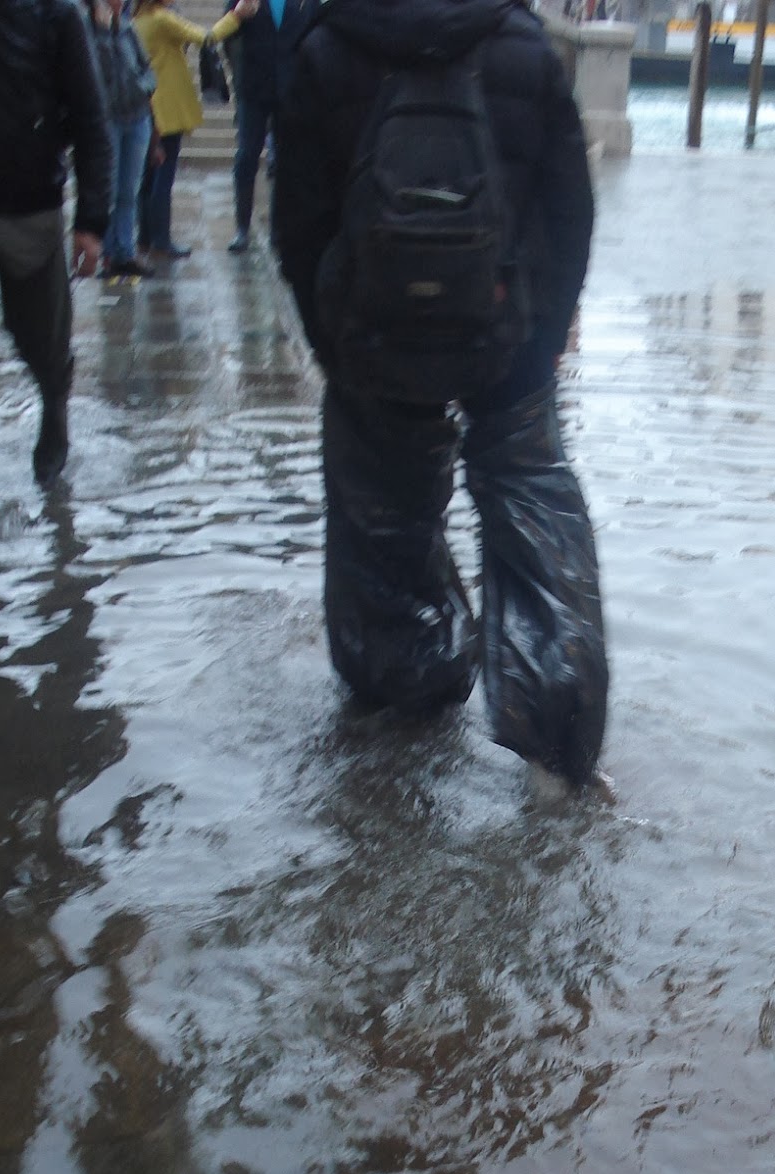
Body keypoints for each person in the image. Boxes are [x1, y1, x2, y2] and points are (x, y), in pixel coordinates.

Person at [275, 0, 608, 788]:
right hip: (507, 334)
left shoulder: (326, 45)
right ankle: (554, 743)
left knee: (382, 523)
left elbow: (295, 220)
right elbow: (570, 209)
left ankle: (405, 702)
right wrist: (546, 334)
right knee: (532, 518)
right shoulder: (525, 44)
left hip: (371, 339)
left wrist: (337, 344)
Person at [0, 0, 112, 489]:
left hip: (29, 210)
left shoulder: (56, 15)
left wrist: (92, 222)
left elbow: (90, 117)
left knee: (45, 348)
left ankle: (53, 430)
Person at [132, 0, 259, 260]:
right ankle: (161, 239)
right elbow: (207, 37)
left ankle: (145, 236)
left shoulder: (138, 20)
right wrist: (236, 15)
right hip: (168, 105)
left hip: (150, 106)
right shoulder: (162, 19)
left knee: (147, 178)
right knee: (163, 177)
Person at [223, 0, 310, 253]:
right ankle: (242, 228)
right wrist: (238, 14)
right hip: (254, 88)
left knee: (286, 162)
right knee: (246, 157)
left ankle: (279, 229)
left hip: (290, 89)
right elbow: (228, 30)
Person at [83, 0, 158, 278]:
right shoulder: (86, 30)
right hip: (108, 120)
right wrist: (103, 34)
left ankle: (124, 250)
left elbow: (146, 69)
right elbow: (97, 71)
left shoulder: (128, 29)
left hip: (136, 117)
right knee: (109, 189)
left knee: (129, 189)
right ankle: (106, 252)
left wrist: (142, 88)